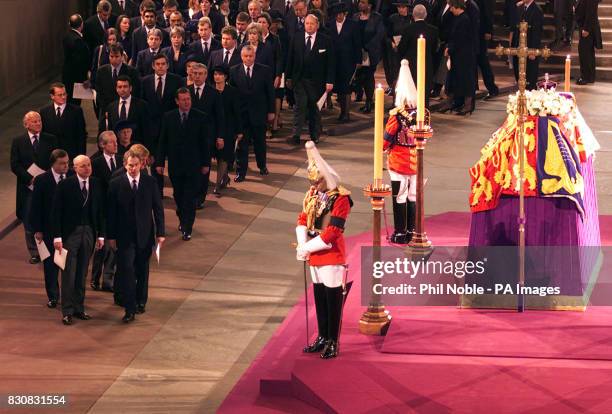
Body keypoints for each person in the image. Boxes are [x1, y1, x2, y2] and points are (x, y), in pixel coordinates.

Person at [295, 141, 352, 359]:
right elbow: (302, 219)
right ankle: (321, 336)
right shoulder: (313, 194)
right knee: (319, 296)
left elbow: (333, 231)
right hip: (313, 253)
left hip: (330, 253)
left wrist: (307, 247)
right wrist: (302, 244)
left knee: (332, 298)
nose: (314, 186)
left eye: (317, 181)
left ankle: (333, 341)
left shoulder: (341, 199)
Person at [107, 149, 165, 323]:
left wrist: (160, 233)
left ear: (141, 165)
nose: (133, 168)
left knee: (142, 269)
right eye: (130, 165)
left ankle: (141, 301)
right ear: (125, 165)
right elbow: (110, 213)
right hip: (124, 237)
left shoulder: (150, 182)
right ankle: (129, 309)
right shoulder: (116, 184)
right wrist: (111, 236)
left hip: (145, 235)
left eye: (136, 165)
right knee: (127, 271)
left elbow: (158, 209)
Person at [52, 155, 105, 326]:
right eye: (83, 166)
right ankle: (67, 311)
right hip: (70, 234)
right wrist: (57, 237)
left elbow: (101, 212)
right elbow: (56, 212)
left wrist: (101, 235)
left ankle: (79, 308)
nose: (87, 168)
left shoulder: (96, 184)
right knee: (68, 273)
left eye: (88, 165)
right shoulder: (65, 185)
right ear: (75, 168)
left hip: (89, 232)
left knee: (82, 272)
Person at [156, 88, 210, 241]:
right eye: (183, 100)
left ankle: (187, 228)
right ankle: (182, 217)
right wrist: (159, 162)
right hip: (176, 165)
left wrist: (206, 163)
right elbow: (163, 141)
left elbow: (205, 143)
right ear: (177, 101)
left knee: (191, 198)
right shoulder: (168, 117)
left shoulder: (200, 117)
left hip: (194, 165)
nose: (187, 102)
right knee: (178, 196)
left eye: (188, 99)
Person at [11, 112, 58, 264]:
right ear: (26, 124)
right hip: (27, 187)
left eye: (39, 120)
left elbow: (55, 160)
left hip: (47, 185)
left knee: (48, 217)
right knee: (29, 219)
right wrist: (29, 178)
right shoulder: (18, 141)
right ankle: (34, 252)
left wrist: (46, 177)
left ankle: (49, 249)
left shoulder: (50, 139)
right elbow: (15, 164)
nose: (39, 123)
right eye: (35, 121)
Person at [30, 150, 71, 309]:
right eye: (62, 163)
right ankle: (53, 296)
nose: (65, 166)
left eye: (67, 163)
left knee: (68, 265)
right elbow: (36, 207)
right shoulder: (42, 180)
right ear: (53, 163)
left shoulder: (72, 177)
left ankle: (70, 296)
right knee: (50, 265)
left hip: (68, 230)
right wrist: (38, 229)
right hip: (47, 230)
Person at [285, 14, 335, 144]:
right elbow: (290, 58)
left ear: (317, 25)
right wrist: (288, 77)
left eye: (312, 23)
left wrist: (330, 81)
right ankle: (296, 135)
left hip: (317, 81)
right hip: (299, 79)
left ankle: (315, 135)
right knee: (299, 106)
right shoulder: (296, 38)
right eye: (307, 23)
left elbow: (331, 63)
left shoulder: (326, 40)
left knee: (314, 108)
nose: (309, 26)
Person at [383, 60, 418, 244]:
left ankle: (400, 231)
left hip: (398, 162)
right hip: (416, 161)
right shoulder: (421, 114)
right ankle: (413, 230)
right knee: (413, 196)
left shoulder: (396, 115)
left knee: (400, 197)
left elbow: (386, 140)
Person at [229, 45, 275, 181]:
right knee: (242, 146)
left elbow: (270, 93)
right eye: (245, 56)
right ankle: (241, 172)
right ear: (241, 57)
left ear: (254, 56)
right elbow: (232, 94)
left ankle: (262, 166)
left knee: (260, 142)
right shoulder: (234, 71)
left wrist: (271, 111)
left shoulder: (265, 70)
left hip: (259, 113)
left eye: (251, 56)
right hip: (241, 115)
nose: (248, 59)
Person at [141, 53, 185, 193]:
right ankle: (157, 191)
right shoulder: (144, 81)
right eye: (157, 64)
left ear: (167, 65)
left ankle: (177, 189)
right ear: (153, 66)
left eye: (163, 64)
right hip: (151, 127)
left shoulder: (176, 80)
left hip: (171, 127)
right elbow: (142, 104)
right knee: (154, 160)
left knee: (173, 160)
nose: (160, 67)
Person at [187, 63, 224, 207]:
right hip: (189, 136)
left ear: (206, 75)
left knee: (204, 167)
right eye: (194, 73)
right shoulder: (186, 91)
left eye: (200, 73)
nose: (196, 76)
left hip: (207, 137)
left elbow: (220, 116)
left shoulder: (213, 93)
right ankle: (190, 195)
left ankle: (200, 198)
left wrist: (220, 136)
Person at [91, 131, 120, 291]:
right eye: (111, 142)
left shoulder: (122, 160)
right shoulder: (95, 163)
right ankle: (95, 277)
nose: (116, 145)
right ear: (102, 145)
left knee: (113, 246)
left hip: (116, 211)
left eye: (115, 141)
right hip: (102, 212)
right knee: (101, 247)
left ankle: (108, 280)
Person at [396, 4, 439, 108]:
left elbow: (401, 48)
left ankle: (411, 116)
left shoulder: (408, 29)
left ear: (413, 15)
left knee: (410, 92)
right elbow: (434, 50)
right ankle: (424, 116)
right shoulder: (433, 30)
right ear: (426, 15)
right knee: (424, 93)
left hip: (410, 66)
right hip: (427, 65)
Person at [326, 1, 360, 123]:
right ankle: (341, 112)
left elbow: (357, 43)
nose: (339, 16)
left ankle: (346, 113)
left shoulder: (352, 25)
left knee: (346, 87)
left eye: (341, 14)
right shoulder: (329, 25)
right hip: (334, 61)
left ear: (345, 13)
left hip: (348, 61)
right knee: (339, 87)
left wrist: (358, 60)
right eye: (337, 14)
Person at [99, 75, 152, 151]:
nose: (122, 89)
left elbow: (147, 130)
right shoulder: (111, 107)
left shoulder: (142, 105)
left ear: (130, 88)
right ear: (116, 89)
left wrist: (149, 151)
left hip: (137, 148)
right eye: (120, 87)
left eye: (125, 87)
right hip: (117, 149)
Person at [212, 65, 242, 195]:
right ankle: (224, 177)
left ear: (225, 76)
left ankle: (217, 185)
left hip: (229, 128)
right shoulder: (210, 90)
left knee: (224, 157)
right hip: (213, 128)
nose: (217, 77)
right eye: (215, 74)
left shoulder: (232, 92)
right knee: (216, 156)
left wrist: (239, 131)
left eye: (220, 74)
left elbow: (237, 112)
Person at [39, 83, 88, 161]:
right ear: (52, 96)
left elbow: (81, 134)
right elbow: (43, 135)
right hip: (52, 156)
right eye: (60, 95)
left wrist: (81, 156)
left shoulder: (76, 111)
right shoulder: (44, 112)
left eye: (64, 94)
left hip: (71, 155)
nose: (63, 97)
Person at [352, 0, 385, 114]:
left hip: (371, 52)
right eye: (360, 2)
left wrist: (367, 47)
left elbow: (379, 34)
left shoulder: (377, 18)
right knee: (360, 76)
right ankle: (360, 95)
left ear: (370, 5)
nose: (360, 4)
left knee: (368, 76)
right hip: (357, 52)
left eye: (363, 2)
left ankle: (369, 102)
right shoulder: (355, 16)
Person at [92, 44, 141, 120]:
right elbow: (99, 92)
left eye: (117, 56)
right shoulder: (101, 71)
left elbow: (136, 91)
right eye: (111, 56)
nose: (114, 59)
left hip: (126, 110)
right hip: (106, 110)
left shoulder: (131, 72)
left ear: (122, 56)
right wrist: (107, 109)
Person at [445, 0, 476, 115]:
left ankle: (467, 106)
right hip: (458, 54)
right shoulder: (458, 18)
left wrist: (450, 49)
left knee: (465, 80)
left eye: (452, 7)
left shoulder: (464, 20)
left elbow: (460, 39)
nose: (451, 10)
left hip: (464, 56)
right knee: (454, 79)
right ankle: (451, 103)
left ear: (457, 6)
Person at [511, 0, 543, 91]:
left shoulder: (537, 10)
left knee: (530, 79)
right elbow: (516, 29)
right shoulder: (520, 8)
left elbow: (537, 33)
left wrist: (533, 50)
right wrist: (513, 46)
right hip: (518, 48)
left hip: (530, 51)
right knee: (519, 76)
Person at [383, 0, 411, 93]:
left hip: (407, 50)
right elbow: (387, 34)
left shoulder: (411, 18)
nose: (401, 9)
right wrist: (391, 43)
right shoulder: (392, 18)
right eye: (399, 7)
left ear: (407, 7)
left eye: (403, 7)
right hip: (395, 49)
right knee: (394, 69)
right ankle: (394, 87)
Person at [62, 14, 91, 105]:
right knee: (75, 103)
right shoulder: (77, 40)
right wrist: (85, 79)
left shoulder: (67, 36)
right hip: (76, 79)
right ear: (81, 24)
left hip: (67, 76)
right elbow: (79, 63)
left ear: (69, 24)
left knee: (70, 101)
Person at [575, 0, 602, 85]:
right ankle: (589, 76)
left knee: (585, 52)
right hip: (585, 26)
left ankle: (586, 77)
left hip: (588, 27)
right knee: (586, 52)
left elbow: (591, 11)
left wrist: (586, 28)